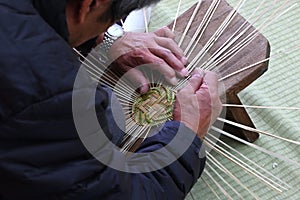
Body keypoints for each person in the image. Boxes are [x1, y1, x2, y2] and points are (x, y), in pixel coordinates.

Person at [0, 0, 222, 199]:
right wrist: (184, 137)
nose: (112, 25)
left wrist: (106, 39)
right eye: (114, 19)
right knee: (110, 118)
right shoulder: (54, 96)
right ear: (89, 4)